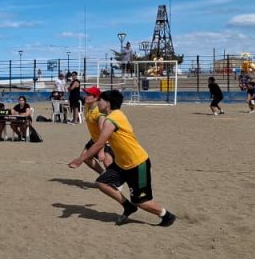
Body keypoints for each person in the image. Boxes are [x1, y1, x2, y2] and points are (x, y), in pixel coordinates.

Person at [68, 89, 177, 227]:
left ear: (107, 103)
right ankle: (128, 206)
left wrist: (80, 159)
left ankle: (166, 215)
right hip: (121, 163)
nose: (98, 102)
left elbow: (100, 143)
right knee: (102, 183)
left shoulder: (113, 118)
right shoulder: (109, 115)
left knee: (141, 201)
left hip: (138, 163)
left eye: (100, 100)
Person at [75, 86, 113, 174]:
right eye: (86, 94)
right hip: (94, 139)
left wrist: (101, 151)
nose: (85, 96)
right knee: (85, 157)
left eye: (88, 94)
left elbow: (102, 133)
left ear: (96, 98)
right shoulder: (87, 106)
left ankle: (115, 182)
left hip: (105, 141)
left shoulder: (99, 113)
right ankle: (103, 175)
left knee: (107, 163)